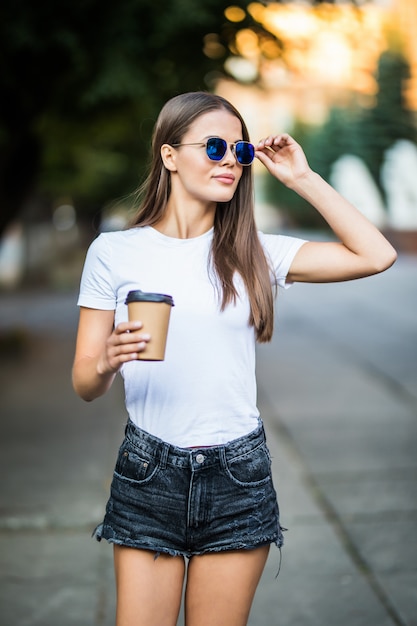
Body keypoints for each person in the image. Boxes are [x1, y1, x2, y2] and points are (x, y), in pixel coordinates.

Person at [72, 91, 396, 626]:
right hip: (149, 472)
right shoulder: (115, 252)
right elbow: (85, 382)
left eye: (241, 153)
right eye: (216, 146)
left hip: (237, 476)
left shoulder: (255, 251)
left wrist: (300, 178)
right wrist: (106, 359)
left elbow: (376, 254)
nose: (231, 161)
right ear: (169, 154)